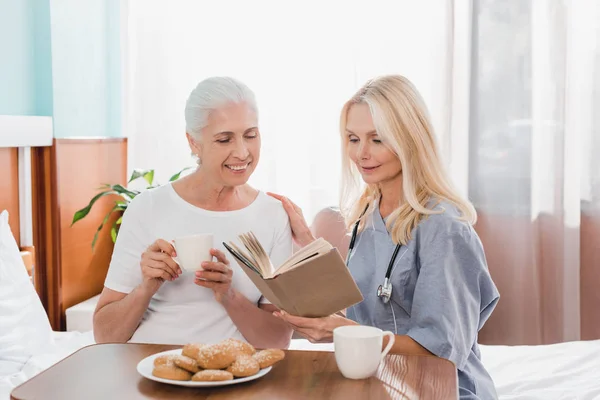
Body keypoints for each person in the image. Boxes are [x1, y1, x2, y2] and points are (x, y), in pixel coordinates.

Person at [269, 75, 500, 399]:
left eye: (377, 140)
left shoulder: (444, 230)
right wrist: (307, 247)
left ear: (410, 140)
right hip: (376, 383)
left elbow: (441, 351)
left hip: (438, 389)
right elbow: (369, 310)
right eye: (352, 138)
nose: (361, 153)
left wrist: (343, 332)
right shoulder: (368, 212)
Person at [93, 77, 293, 348]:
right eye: (224, 139)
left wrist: (229, 296)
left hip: (234, 375)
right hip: (150, 371)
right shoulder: (148, 208)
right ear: (193, 142)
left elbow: (278, 340)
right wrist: (146, 288)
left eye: (250, 135)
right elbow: (105, 336)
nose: (242, 152)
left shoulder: (273, 215)